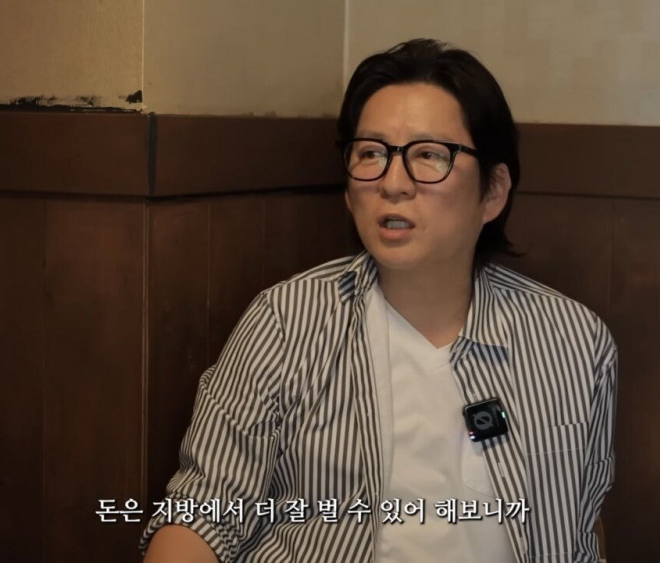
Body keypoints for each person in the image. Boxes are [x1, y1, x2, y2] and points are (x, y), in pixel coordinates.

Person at [140, 38, 617, 563]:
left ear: (493, 191)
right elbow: (202, 515)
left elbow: (581, 530)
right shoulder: (288, 322)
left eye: (429, 156)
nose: (392, 183)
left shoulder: (574, 340)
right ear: (349, 191)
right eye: (371, 153)